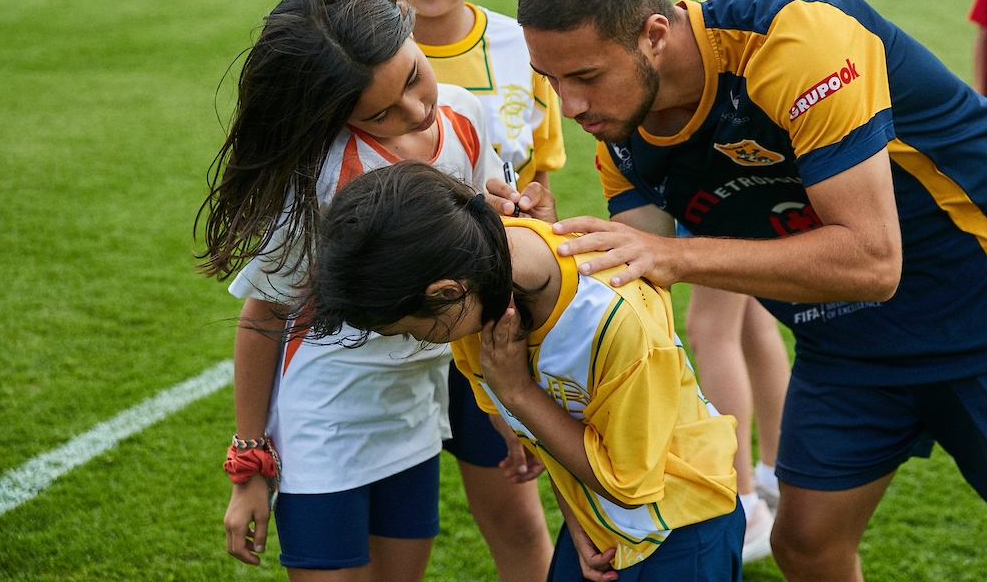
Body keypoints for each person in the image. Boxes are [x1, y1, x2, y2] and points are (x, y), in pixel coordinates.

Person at [516, 0, 987, 582]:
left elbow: (873, 261)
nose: (570, 105)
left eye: (586, 76)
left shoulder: (796, 38)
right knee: (806, 544)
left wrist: (673, 255)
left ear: (654, 34)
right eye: (552, 80)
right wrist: (540, 251)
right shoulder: (621, 142)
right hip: (846, 335)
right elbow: (625, 296)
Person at [197, 0, 546, 582]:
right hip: (327, 419)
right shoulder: (322, 176)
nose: (416, 110)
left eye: (413, 77)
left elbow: (485, 267)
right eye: (380, 112)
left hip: (416, 410)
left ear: (411, 33)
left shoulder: (467, 117)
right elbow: (264, 317)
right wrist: (249, 462)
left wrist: (519, 219)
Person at [304, 161, 744, 582]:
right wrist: (578, 517)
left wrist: (517, 391)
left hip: (684, 529)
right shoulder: (478, 290)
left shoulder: (615, 320)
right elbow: (546, 436)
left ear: (445, 293)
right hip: (599, 528)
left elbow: (630, 482)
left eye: (409, 332)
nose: (418, 341)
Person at [343, 0, 560, 580]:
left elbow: (536, 182)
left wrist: (530, 204)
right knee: (386, 532)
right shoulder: (344, 56)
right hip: (380, 341)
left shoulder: (521, 45)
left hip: (488, 326)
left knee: (515, 515)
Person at [687, 0, 813, 560]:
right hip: (749, 180)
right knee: (754, 325)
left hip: (738, 179)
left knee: (711, 327)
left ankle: (743, 506)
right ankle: (778, 479)